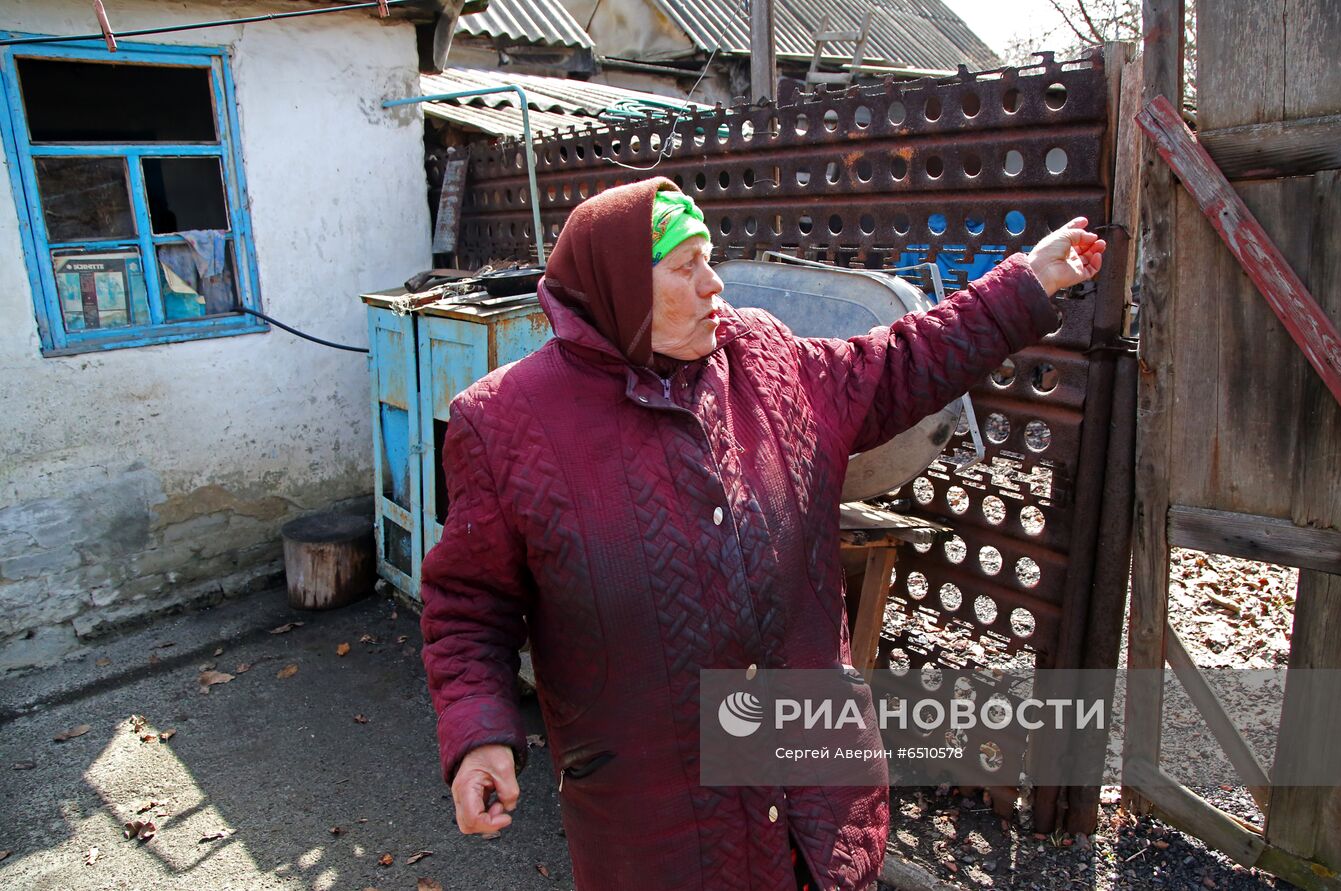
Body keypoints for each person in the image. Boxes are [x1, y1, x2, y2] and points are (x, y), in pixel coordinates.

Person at [419, 176, 1105, 891]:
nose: (713, 283)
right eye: (685, 266)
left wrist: (1028, 280)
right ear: (620, 288)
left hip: (820, 812)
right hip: (659, 838)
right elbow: (469, 605)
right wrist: (479, 734)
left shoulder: (764, 360)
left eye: (709, 258)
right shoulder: (505, 425)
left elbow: (903, 361)